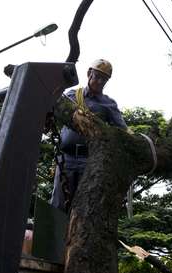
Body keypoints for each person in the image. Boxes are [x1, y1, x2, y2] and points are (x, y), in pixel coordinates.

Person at [50, 59, 127, 212]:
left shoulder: (108, 105)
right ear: (88, 74)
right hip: (67, 158)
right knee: (58, 203)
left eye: (103, 79)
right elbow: (51, 108)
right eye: (97, 76)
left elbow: (122, 131)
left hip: (89, 160)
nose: (99, 81)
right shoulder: (71, 95)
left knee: (85, 206)